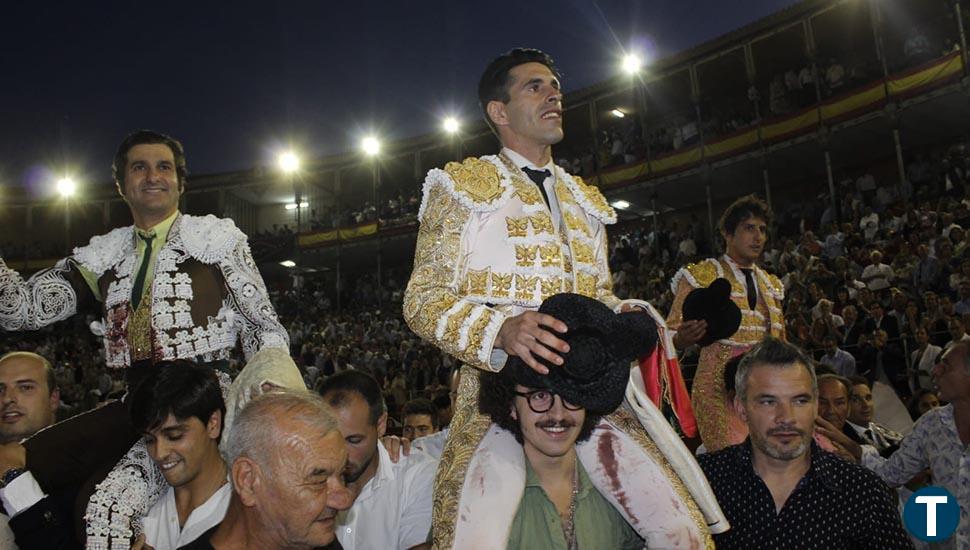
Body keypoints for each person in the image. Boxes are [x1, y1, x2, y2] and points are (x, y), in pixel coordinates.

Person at [402, 48, 714, 547]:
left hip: (592, 391)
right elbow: (423, 298)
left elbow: (599, 295)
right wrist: (500, 331)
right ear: (498, 112)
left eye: (556, 87)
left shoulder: (585, 199)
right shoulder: (462, 187)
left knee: (682, 529)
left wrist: (623, 316)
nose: (554, 95)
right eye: (535, 87)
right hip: (497, 393)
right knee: (472, 537)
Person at [0, 130, 290, 545]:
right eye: (140, 167)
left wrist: (269, 401)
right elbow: (24, 310)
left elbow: (261, 325)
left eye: (164, 167)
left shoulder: (216, 240)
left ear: (180, 182)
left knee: (106, 510)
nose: (153, 176)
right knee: (12, 463)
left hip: (197, 400)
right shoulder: (104, 253)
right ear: (121, 184)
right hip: (132, 405)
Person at [459, 293, 720, 548]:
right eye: (540, 396)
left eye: (573, 398)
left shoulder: (621, 500)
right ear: (511, 405)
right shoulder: (481, 502)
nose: (558, 415)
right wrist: (497, 330)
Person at [697, 337, 913, 549]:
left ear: (815, 406)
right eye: (768, 401)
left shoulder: (862, 490)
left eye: (800, 401)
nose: (786, 417)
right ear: (741, 408)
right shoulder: (703, 482)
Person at [668, 195, 785, 452]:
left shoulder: (772, 284)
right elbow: (670, 332)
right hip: (717, 388)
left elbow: (782, 342)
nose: (758, 237)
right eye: (749, 228)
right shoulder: (701, 275)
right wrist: (681, 340)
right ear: (727, 233)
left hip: (766, 385)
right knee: (731, 461)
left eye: (762, 230)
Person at [179, 391, 353, 550]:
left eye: (343, 475)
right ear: (248, 481)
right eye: (318, 480)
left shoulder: (321, 544)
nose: (344, 501)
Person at [856, 341, 970, 549]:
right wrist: (853, 448)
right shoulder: (932, 424)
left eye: (946, 365)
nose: (935, 371)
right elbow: (889, 474)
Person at [319, 371, 436, 550]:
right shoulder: (305, 478)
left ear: (381, 425)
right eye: (331, 441)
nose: (341, 454)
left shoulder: (417, 475)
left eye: (354, 440)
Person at [128, 361, 230, 550]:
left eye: (174, 436)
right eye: (150, 440)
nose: (159, 453)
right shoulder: (141, 515)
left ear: (213, 424)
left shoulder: (245, 510)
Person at [0, 352, 61, 549]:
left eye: (25, 387)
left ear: (53, 398)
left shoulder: (90, 466)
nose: (7, 398)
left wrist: (13, 476)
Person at [846, 376, 903, 457]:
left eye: (868, 398)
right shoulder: (844, 436)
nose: (865, 405)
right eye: (856, 400)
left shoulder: (880, 429)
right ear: (844, 404)